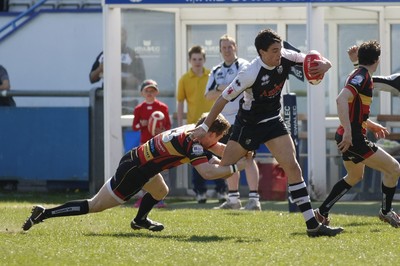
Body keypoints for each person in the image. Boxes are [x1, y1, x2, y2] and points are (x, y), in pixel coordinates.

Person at [192, 28, 343, 237]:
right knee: (225, 167)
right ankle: (196, 154)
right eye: (273, 51)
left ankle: (312, 225)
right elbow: (222, 99)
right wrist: (205, 126)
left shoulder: (285, 57)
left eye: (279, 49)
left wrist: (326, 64)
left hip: (273, 121)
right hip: (249, 125)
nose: (278, 54)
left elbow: (311, 59)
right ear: (261, 53)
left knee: (293, 167)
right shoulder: (249, 73)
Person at [22, 114, 251, 232]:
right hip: (135, 170)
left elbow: (217, 149)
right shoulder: (193, 143)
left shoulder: (196, 130)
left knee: (161, 190)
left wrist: (240, 153)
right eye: (220, 136)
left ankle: (140, 221)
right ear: (211, 133)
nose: (220, 141)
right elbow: (208, 173)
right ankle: (44, 213)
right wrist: (236, 167)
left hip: (143, 163)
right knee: (94, 205)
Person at [314, 41, 400, 228]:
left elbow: (354, 107)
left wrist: (369, 124)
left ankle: (321, 212)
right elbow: (341, 99)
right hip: (353, 139)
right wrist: (348, 132)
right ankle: (386, 212)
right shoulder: (362, 76)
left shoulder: (359, 75)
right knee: (393, 168)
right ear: (377, 60)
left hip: (348, 136)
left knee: (354, 176)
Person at [205, 34, 261, 211]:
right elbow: (208, 95)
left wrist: (222, 88)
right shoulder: (216, 70)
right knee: (227, 158)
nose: (227, 51)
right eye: (224, 48)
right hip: (224, 123)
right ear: (220, 50)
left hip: (244, 119)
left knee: (249, 156)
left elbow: (242, 86)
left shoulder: (244, 65)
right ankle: (233, 199)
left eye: (230, 47)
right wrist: (225, 88)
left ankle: (254, 200)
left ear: (235, 47)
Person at [177, 45, 227, 204]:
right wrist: (180, 123)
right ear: (189, 61)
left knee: (217, 156)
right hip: (194, 125)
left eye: (200, 59)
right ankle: (200, 192)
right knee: (197, 157)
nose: (197, 62)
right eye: (194, 59)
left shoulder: (211, 76)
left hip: (212, 125)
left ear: (204, 60)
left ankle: (222, 190)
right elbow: (180, 102)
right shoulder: (184, 79)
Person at [132, 79, 172, 208]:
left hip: (160, 143)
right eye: (147, 91)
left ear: (157, 92)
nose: (149, 93)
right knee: (144, 170)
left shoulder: (162, 107)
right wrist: (142, 124)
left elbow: (168, 127)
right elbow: (135, 126)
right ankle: (144, 197)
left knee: (161, 169)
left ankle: (160, 198)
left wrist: (162, 130)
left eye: (152, 91)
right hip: (145, 143)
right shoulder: (139, 108)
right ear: (142, 93)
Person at [89, 28, 146, 114]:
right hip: (108, 103)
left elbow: (140, 81)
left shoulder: (132, 55)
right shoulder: (104, 54)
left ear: (126, 37)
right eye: (116, 35)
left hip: (128, 103)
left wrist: (117, 78)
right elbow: (91, 79)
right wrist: (99, 69)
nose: (118, 38)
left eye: (121, 35)